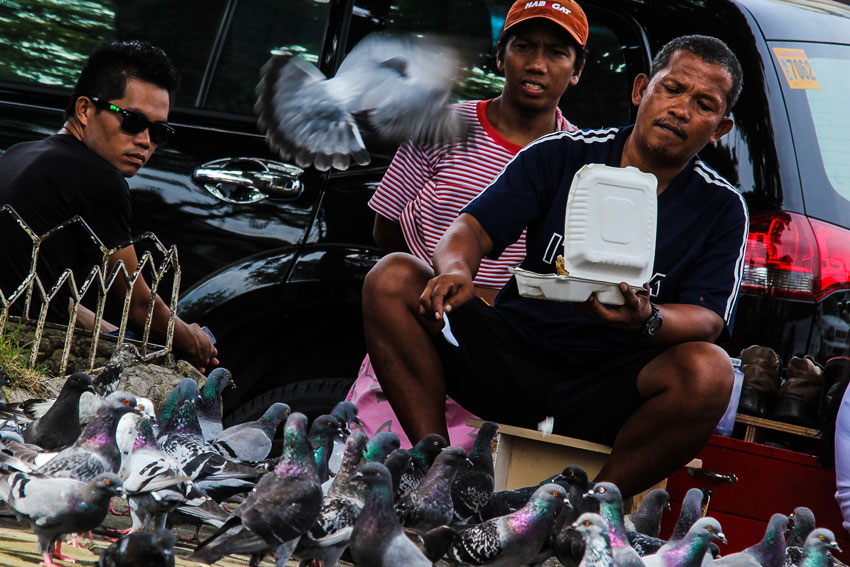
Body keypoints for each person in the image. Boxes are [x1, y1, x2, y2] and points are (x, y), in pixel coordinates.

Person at [362, 34, 748, 497]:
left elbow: (707, 318)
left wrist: (647, 319)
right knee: (392, 278)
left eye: (704, 103)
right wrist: (456, 270)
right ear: (641, 89)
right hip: (510, 358)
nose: (681, 110)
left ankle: (586, 506)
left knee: (711, 372)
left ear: (720, 128)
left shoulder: (722, 208)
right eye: (672, 89)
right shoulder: (561, 154)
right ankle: (438, 470)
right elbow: (472, 230)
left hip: (611, 386)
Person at [347, 0, 588, 447]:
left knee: (465, 495)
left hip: (503, 353)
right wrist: (430, 283)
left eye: (557, 52)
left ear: (576, 71)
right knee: (374, 470)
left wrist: (486, 303)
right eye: (523, 46)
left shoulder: (580, 161)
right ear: (500, 56)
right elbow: (387, 227)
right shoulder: (443, 125)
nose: (537, 64)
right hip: (420, 328)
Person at [0, 41, 218, 373]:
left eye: (159, 131)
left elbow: (45, 293)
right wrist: (195, 343)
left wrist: (112, 335)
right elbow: (138, 304)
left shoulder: (19, 153)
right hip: (24, 352)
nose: (145, 140)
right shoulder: (98, 178)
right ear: (85, 110)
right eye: (132, 122)